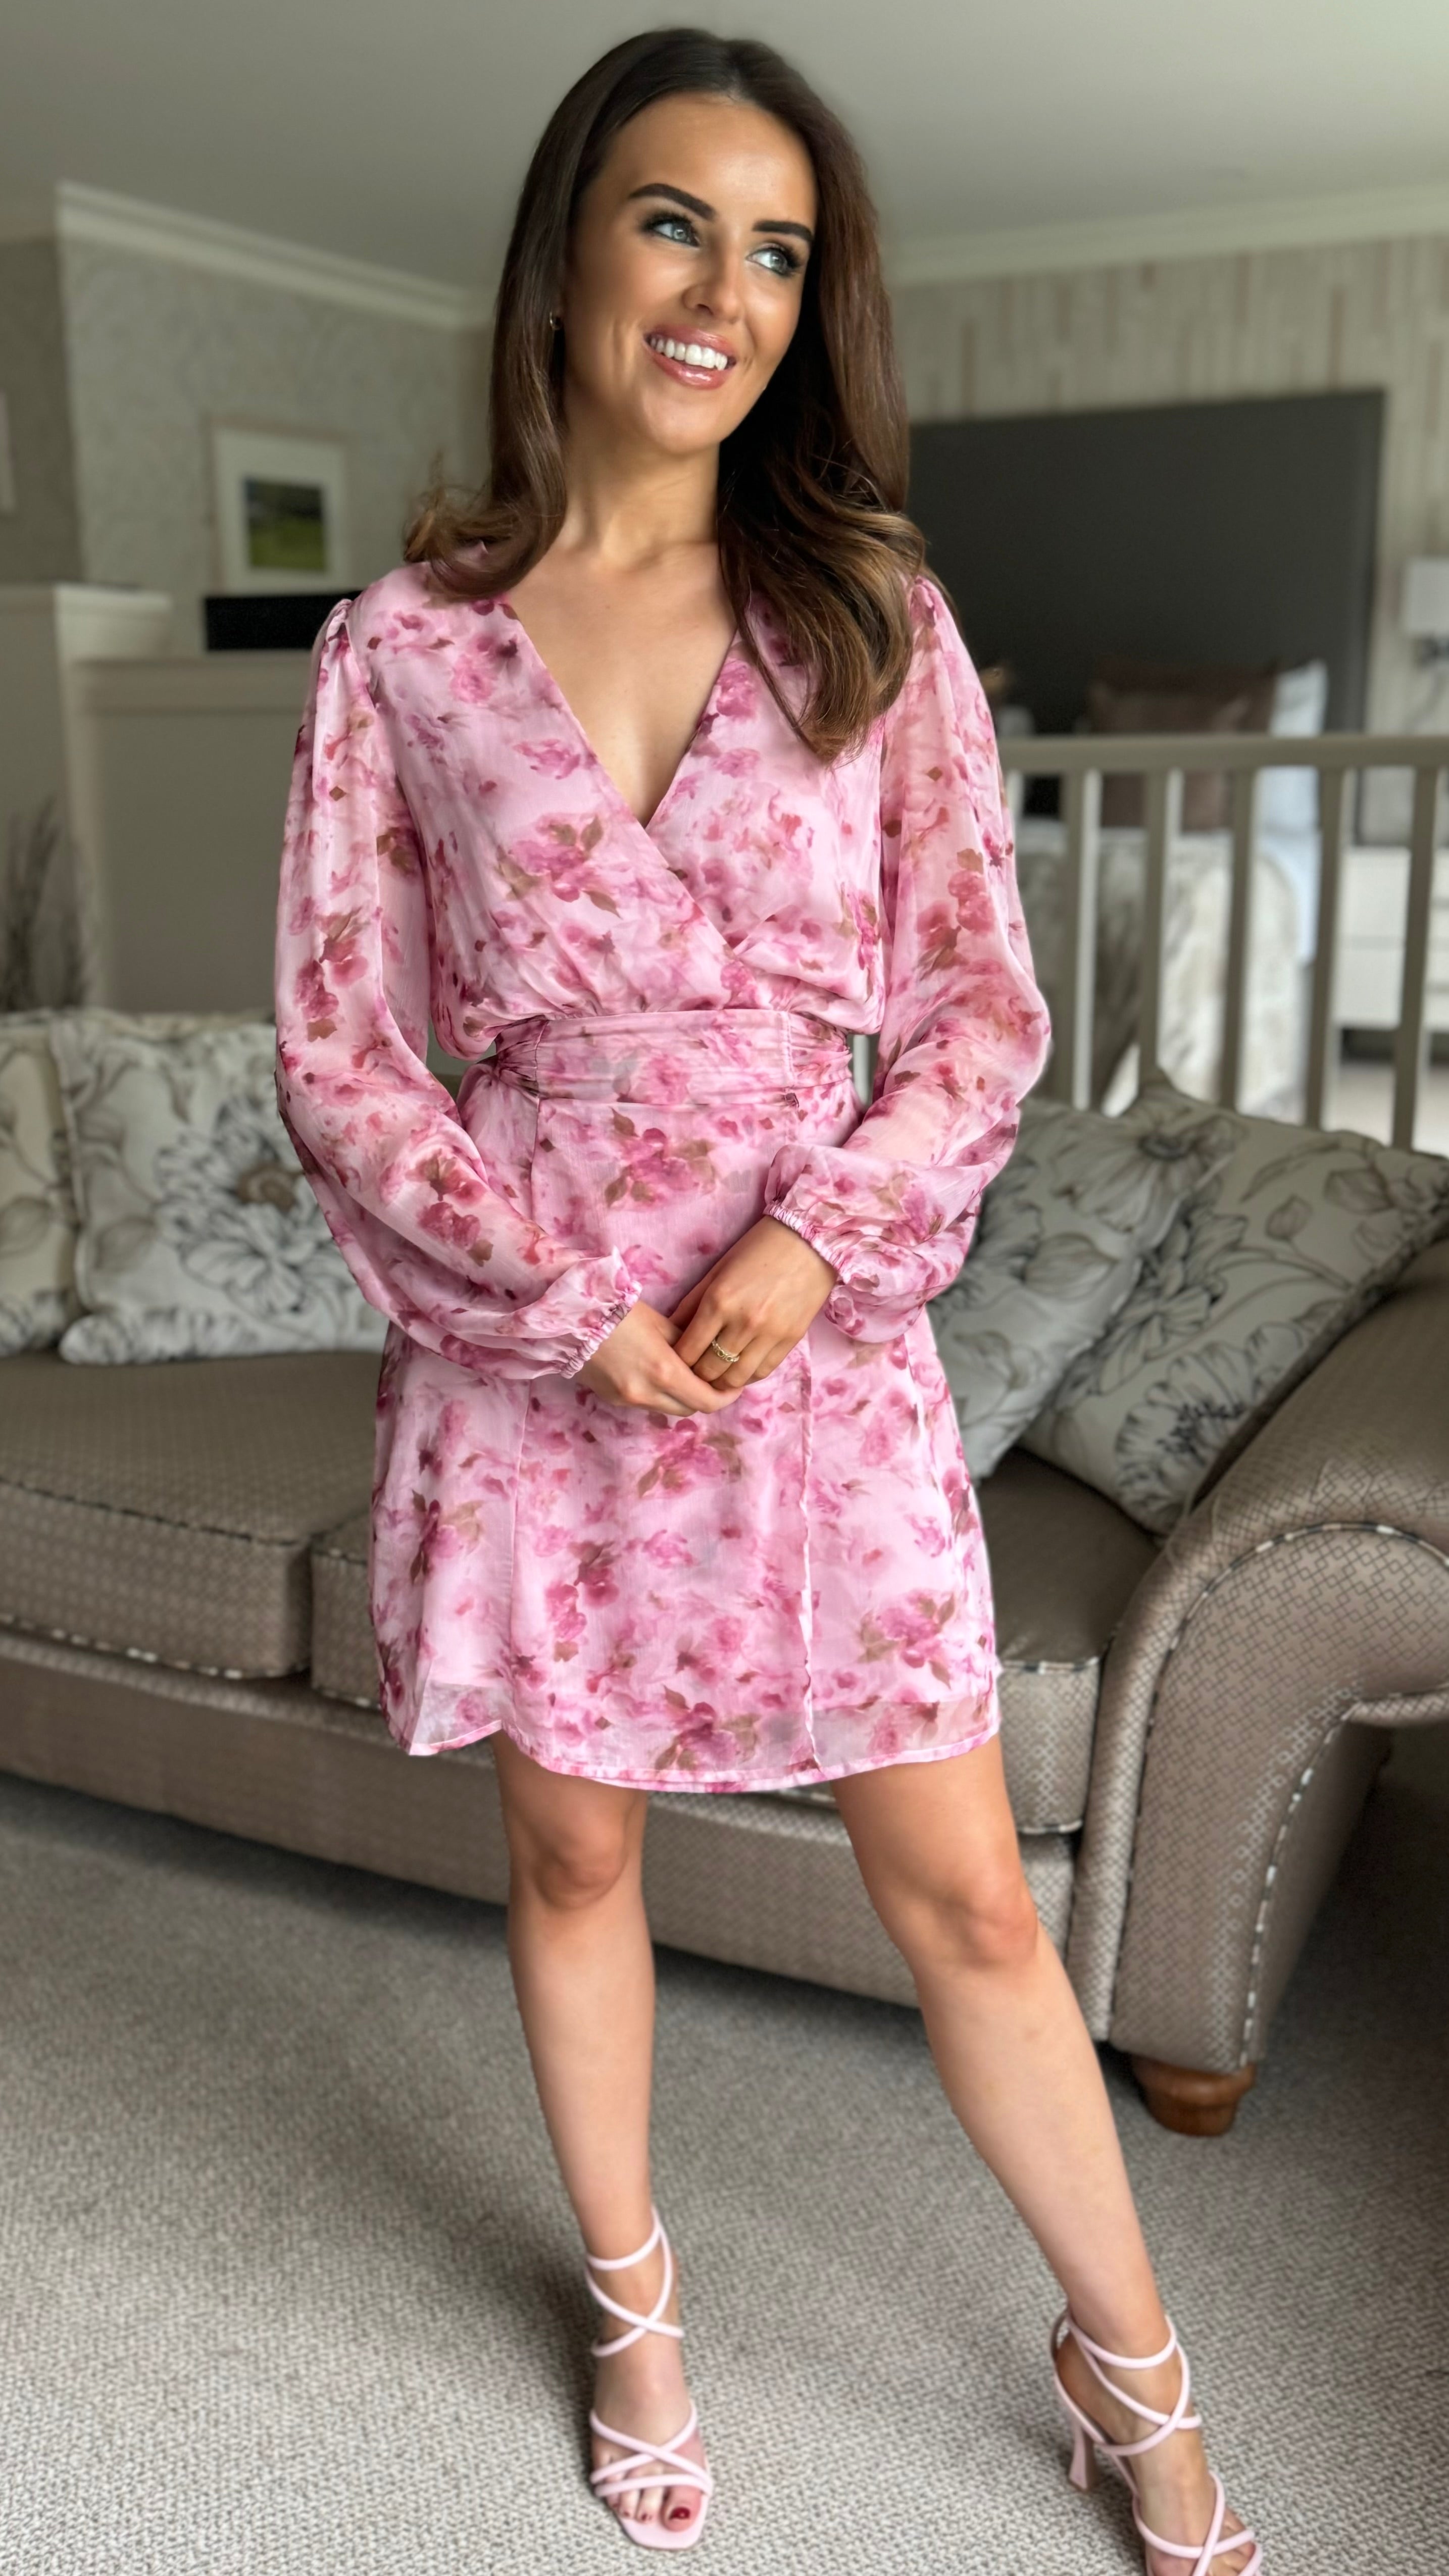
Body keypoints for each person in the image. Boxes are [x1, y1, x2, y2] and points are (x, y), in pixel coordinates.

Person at [273, 28, 1260, 2570]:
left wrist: (817, 1235)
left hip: (818, 1344)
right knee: (573, 1864)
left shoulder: (870, 616)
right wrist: (542, 1296)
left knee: (969, 1899)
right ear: (568, 253)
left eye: (779, 250)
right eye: (674, 222)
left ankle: (1129, 2363)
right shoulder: (399, 651)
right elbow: (342, 1046)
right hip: (536, 1351)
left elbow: (980, 1015)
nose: (725, 291)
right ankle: (633, 2310)